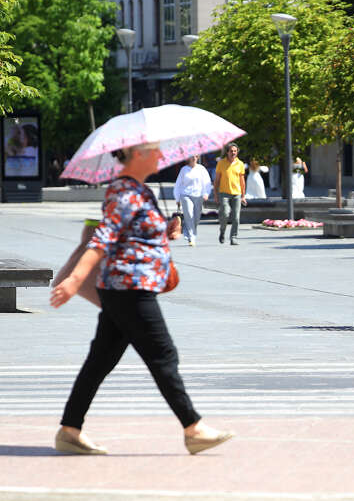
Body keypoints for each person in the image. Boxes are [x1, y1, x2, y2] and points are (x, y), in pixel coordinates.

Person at [49, 142, 234, 455]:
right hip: (128, 287)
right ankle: (194, 428)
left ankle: (69, 429)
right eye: (156, 151)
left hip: (127, 286)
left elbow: (135, 233)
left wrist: (167, 230)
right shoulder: (124, 192)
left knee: (100, 361)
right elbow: (103, 237)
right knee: (163, 354)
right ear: (137, 154)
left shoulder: (139, 189)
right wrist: (75, 280)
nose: (162, 156)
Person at [173, 154, 212, 246]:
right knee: (189, 214)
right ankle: (192, 237)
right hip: (186, 195)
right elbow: (178, 185)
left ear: (198, 158)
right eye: (192, 156)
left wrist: (206, 193)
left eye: (196, 156)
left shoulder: (201, 169)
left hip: (198, 195)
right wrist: (177, 198)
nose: (194, 158)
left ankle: (187, 229)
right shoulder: (184, 170)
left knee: (196, 217)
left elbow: (207, 182)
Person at [213, 143, 246, 245]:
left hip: (237, 194)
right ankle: (222, 231)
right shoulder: (221, 163)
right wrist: (215, 194)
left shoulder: (240, 164)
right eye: (231, 151)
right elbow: (217, 180)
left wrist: (243, 196)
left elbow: (242, 181)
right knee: (225, 214)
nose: (233, 153)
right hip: (224, 194)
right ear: (227, 152)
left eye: (235, 151)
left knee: (236, 217)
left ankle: (233, 237)